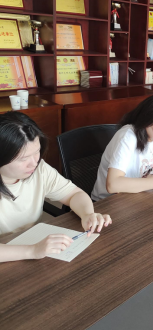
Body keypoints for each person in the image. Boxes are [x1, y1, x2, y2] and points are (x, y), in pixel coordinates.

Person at [0, 112, 111, 263]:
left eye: (37, 152)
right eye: (23, 158)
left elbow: (74, 194)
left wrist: (87, 214)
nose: (34, 163)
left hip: (31, 246)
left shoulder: (39, 169)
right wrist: (33, 250)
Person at [91, 93, 153, 201]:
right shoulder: (128, 136)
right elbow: (113, 185)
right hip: (107, 202)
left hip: (137, 196)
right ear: (147, 121)